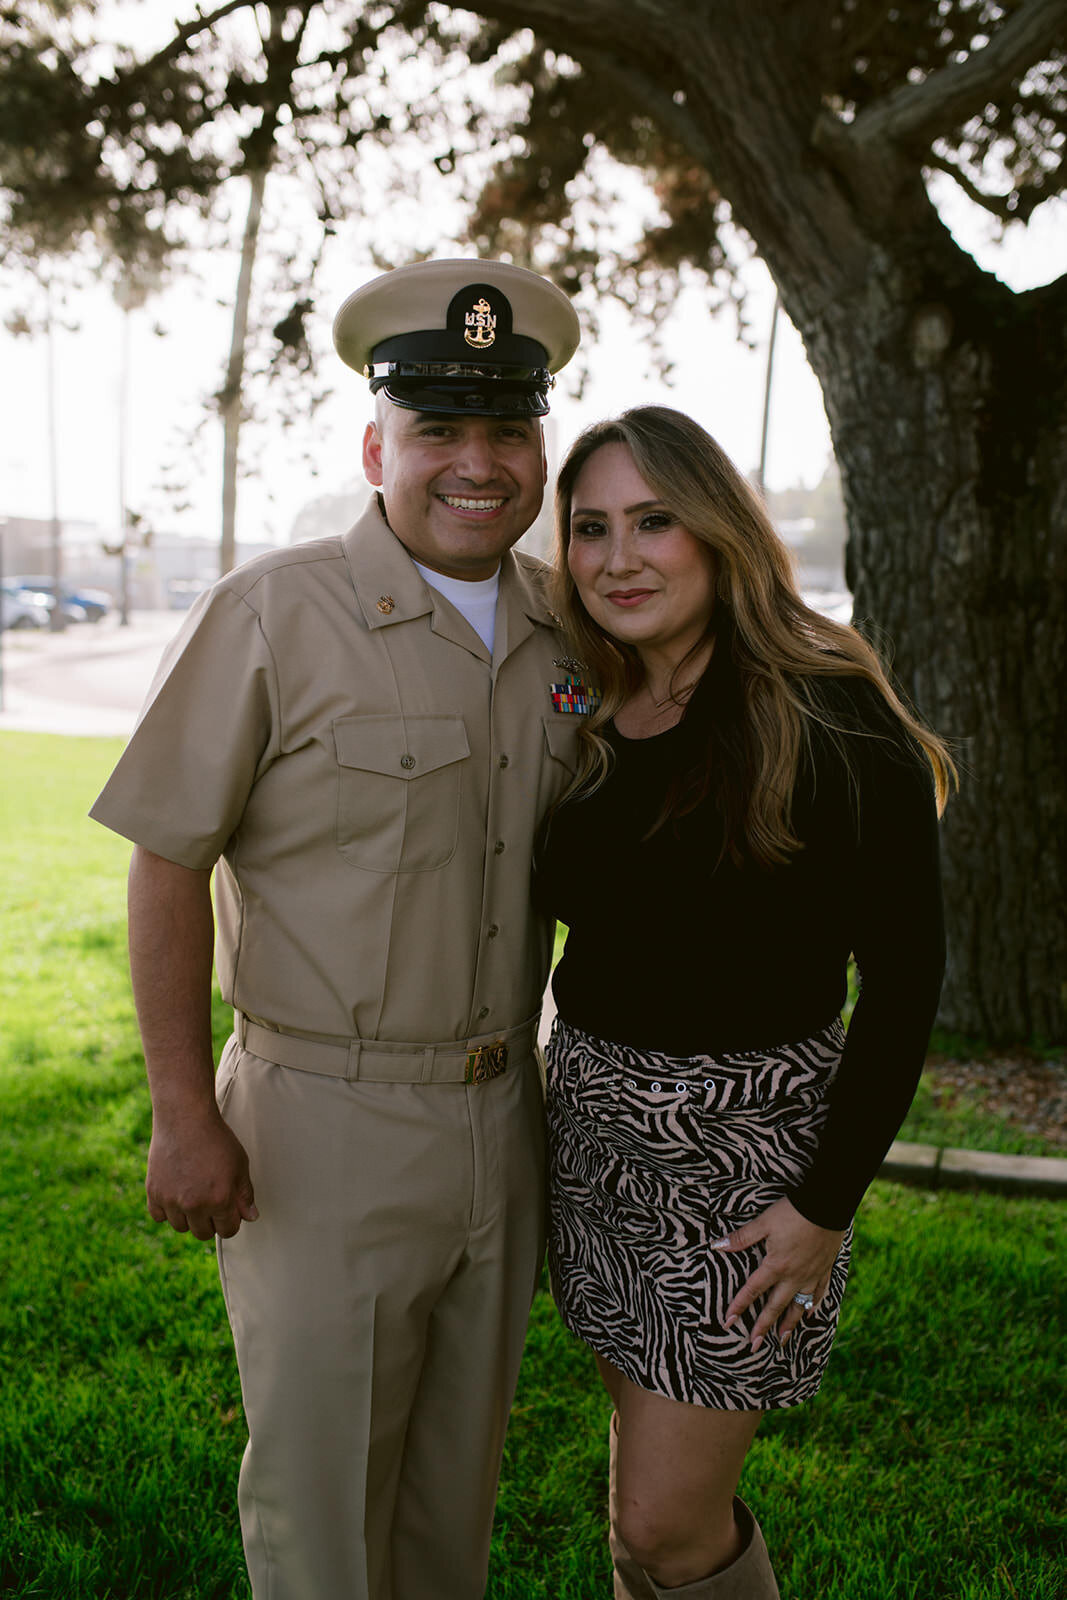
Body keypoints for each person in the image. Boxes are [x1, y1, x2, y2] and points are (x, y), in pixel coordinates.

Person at [89, 258, 586, 1600]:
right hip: (321, 1128)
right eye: (438, 429)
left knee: (448, 1514)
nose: (475, 463)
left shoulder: (566, 635)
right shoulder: (272, 613)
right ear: (378, 446)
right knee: (320, 1522)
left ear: (538, 448)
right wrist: (184, 1110)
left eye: (506, 429)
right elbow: (163, 864)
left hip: (501, 1118)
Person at [535, 405, 955, 1599]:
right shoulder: (587, 706)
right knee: (640, 1507)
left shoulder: (826, 709)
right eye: (590, 528)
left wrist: (821, 1207)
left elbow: (907, 981)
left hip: (744, 1171)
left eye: (653, 521)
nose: (618, 557)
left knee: (669, 1524)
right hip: (594, 1142)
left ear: (718, 532)